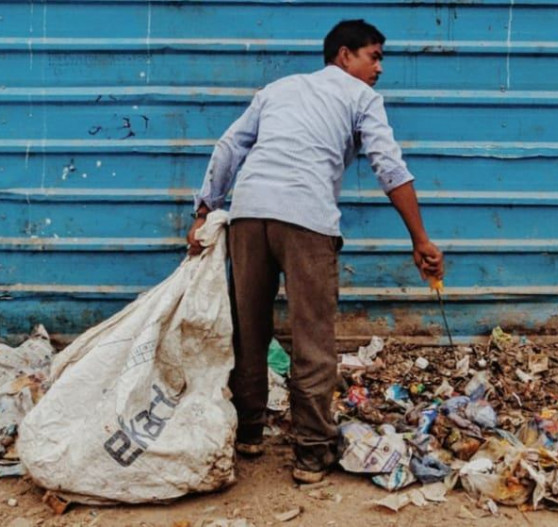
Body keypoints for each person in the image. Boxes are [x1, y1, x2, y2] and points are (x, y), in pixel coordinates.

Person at [186, 19, 444, 483]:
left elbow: (230, 145)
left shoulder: (278, 89)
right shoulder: (362, 98)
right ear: (344, 56)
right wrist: (420, 239)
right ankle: (310, 453)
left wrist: (204, 210)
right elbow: (390, 167)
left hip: (249, 215)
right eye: (374, 56)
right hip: (305, 219)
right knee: (313, 340)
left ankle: (248, 433)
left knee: (250, 330)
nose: (379, 68)